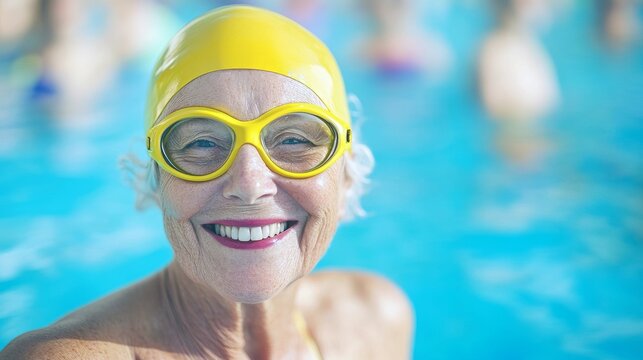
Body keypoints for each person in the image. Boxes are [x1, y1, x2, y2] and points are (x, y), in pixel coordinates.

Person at [0, 6, 414, 359]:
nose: (250, 184)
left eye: (294, 140)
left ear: (347, 176)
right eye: (201, 143)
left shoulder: (373, 323)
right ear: (153, 179)